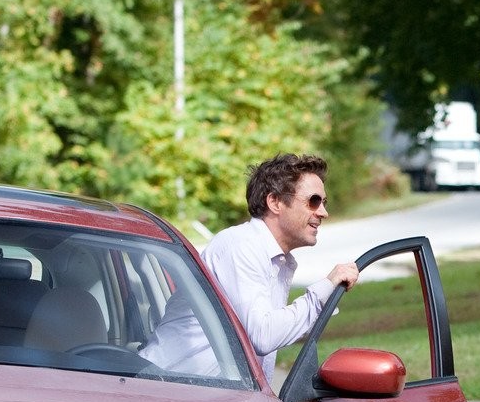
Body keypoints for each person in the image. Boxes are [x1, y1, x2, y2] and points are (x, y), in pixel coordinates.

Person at [143, 153, 359, 385]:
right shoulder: (241, 245)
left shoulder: (277, 260)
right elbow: (263, 336)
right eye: (313, 201)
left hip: (202, 396)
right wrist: (324, 291)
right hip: (162, 390)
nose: (323, 212)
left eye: (323, 203)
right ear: (275, 202)